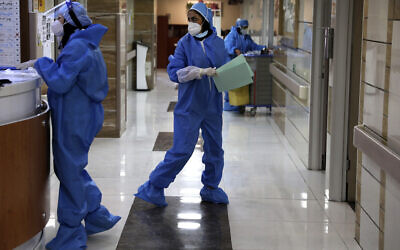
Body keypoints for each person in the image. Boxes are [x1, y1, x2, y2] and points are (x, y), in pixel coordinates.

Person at [18, 2, 120, 249]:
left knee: (68, 171)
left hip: (75, 118)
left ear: (71, 21)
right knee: (73, 168)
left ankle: (72, 232)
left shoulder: (77, 47)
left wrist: (41, 63)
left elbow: (61, 82)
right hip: (81, 115)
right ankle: (95, 214)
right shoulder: (85, 44)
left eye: (60, 20)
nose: (56, 24)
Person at [135, 2, 230, 207]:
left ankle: (211, 188)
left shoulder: (218, 42)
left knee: (215, 149)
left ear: (205, 21)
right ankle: (154, 186)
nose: (191, 23)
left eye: (194, 19)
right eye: (189, 19)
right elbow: (174, 72)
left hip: (213, 105)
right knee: (182, 149)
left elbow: (226, 67)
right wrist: (198, 71)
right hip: (190, 105)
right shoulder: (185, 43)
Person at [223, 18, 266, 111]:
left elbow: (254, 46)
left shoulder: (246, 37)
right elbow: (227, 46)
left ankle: (239, 103)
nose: (245, 29)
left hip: (240, 64)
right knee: (231, 86)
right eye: (243, 27)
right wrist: (235, 50)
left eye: (246, 27)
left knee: (240, 85)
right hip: (230, 63)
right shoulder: (232, 35)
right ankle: (229, 104)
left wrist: (263, 48)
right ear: (238, 27)